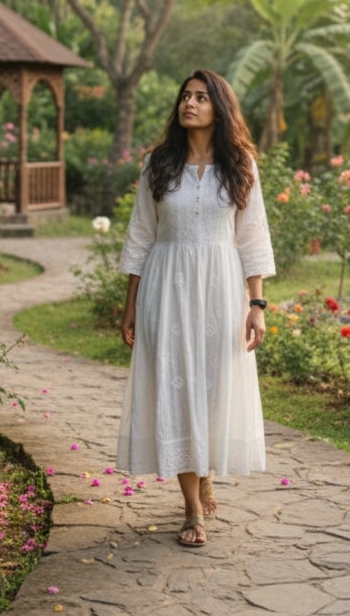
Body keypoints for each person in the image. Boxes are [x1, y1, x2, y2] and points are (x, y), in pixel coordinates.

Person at [116, 69, 275, 548]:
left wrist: (257, 304)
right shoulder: (157, 165)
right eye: (185, 96)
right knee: (176, 389)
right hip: (167, 287)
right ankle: (192, 509)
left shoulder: (240, 166)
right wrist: (130, 305)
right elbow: (141, 235)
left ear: (218, 109)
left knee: (213, 387)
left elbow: (251, 237)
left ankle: (205, 470)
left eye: (201, 97)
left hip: (222, 288)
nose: (189, 103)